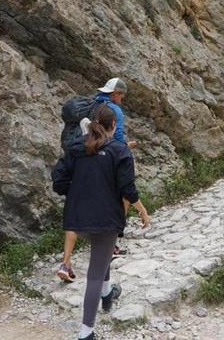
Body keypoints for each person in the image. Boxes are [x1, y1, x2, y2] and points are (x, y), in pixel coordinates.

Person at [52, 104, 151, 340]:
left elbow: (58, 182)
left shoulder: (75, 148)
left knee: (102, 255)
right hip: (106, 219)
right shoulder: (120, 150)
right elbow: (127, 189)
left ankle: (107, 294)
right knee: (94, 274)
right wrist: (143, 211)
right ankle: (86, 333)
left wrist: (77, 194)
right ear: (113, 125)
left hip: (77, 218)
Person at [57, 77, 135, 283]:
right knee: (118, 199)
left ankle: (66, 263)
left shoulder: (90, 104)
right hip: (101, 161)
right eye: (122, 96)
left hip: (79, 156)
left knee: (76, 207)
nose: (122, 100)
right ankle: (112, 243)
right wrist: (124, 149)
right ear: (116, 94)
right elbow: (116, 137)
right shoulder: (112, 111)